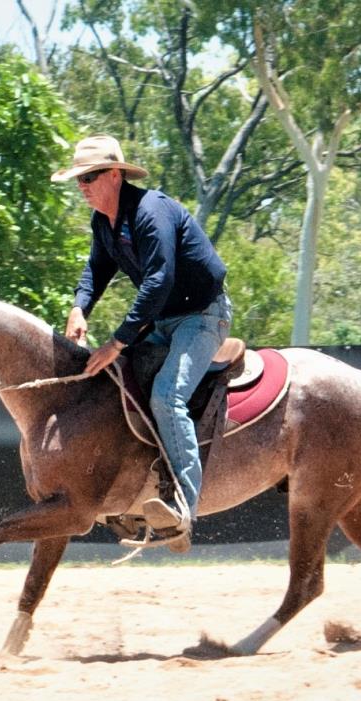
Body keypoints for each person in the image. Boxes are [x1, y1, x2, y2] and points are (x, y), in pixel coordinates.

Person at [51, 134, 232, 532]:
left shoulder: (151, 212)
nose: (82, 186)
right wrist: (80, 306)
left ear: (115, 175)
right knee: (116, 387)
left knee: (167, 396)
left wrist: (117, 342)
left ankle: (183, 508)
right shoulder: (103, 222)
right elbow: (95, 271)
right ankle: (130, 498)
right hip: (162, 321)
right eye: (79, 179)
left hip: (203, 316)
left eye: (89, 177)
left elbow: (158, 281)